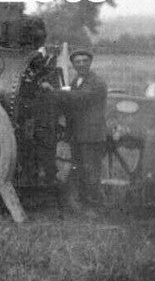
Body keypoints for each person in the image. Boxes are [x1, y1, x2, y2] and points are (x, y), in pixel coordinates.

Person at [43, 49, 108, 210]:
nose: (81, 64)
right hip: (79, 134)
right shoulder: (77, 81)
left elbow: (79, 97)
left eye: (85, 61)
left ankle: (95, 206)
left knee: (91, 171)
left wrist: (54, 91)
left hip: (91, 135)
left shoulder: (97, 82)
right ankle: (84, 204)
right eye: (77, 62)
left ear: (90, 62)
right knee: (80, 169)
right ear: (73, 64)